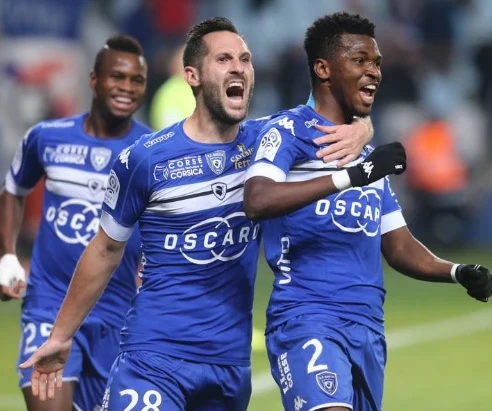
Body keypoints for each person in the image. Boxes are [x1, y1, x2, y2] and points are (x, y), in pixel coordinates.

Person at [20, 17, 373, 410]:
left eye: (245, 58)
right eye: (224, 59)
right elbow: (104, 250)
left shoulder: (269, 143)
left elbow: (332, 109)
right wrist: (60, 336)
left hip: (228, 368)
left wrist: (363, 126)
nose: (239, 67)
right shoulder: (144, 159)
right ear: (193, 75)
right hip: (153, 359)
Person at [243, 12, 492, 411]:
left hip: (368, 329)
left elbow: (397, 245)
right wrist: (352, 176)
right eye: (359, 60)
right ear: (323, 68)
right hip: (306, 318)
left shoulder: (365, 154)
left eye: (376, 62)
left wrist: (455, 271)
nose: (373, 71)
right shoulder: (287, 132)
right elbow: (257, 199)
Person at [0, 35, 150, 411]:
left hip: (117, 313)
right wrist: (7, 256)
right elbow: (13, 189)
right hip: (48, 305)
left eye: (136, 81)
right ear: (94, 79)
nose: (127, 88)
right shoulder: (46, 138)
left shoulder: (151, 151)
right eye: (118, 77)